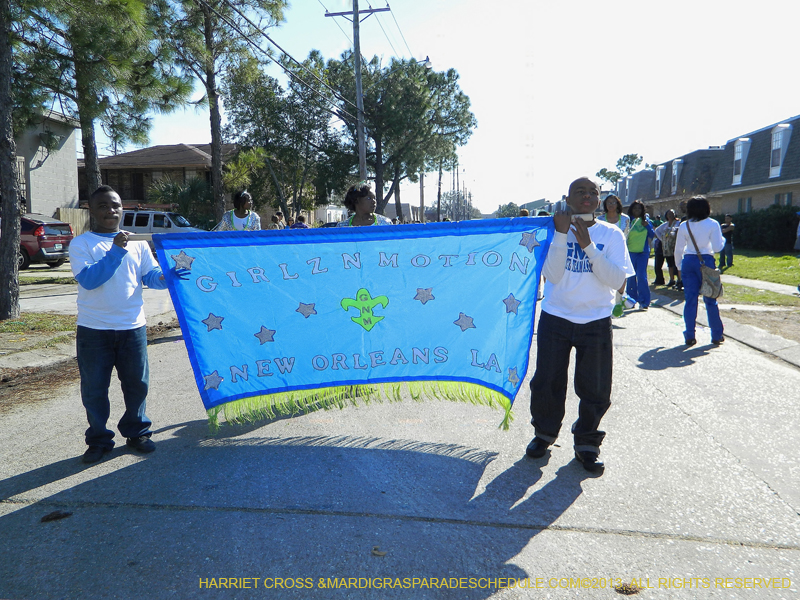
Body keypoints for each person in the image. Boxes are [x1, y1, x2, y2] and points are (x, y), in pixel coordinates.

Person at [526, 177, 634, 473]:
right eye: (580, 192)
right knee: (547, 382)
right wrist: (562, 235)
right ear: (568, 198)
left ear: (600, 200)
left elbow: (618, 281)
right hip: (556, 317)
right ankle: (544, 435)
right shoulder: (552, 230)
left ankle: (587, 443)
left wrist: (588, 245)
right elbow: (553, 276)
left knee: (595, 387)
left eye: (593, 192)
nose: (587, 196)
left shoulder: (611, 235)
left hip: (595, 321)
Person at [70, 186, 184, 464]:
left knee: (137, 385)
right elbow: (90, 280)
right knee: (95, 389)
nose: (111, 211)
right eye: (103, 206)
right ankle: (98, 440)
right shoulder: (82, 244)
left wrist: (168, 277)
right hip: (94, 330)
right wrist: (116, 250)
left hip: (132, 328)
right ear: (92, 210)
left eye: (116, 205)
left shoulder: (138, 244)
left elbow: (149, 276)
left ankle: (137, 432)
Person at [674, 196, 726, 346]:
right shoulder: (713, 224)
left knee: (690, 300)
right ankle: (716, 334)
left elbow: (678, 248)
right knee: (710, 298)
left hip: (689, 260)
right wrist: (724, 240)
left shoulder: (685, 225)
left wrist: (679, 266)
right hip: (706, 260)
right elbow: (717, 247)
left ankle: (690, 335)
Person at [625, 200, 655, 310]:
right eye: (635, 208)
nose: (637, 211)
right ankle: (631, 300)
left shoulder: (646, 221)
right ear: (631, 210)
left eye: (639, 209)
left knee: (641, 276)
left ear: (642, 210)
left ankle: (644, 301)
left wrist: (647, 226)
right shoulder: (629, 221)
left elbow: (652, 234)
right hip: (631, 252)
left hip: (643, 253)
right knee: (631, 277)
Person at [655, 209, 680, 286]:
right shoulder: (665, 225)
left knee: (677, 264)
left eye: (672, 214)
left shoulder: (678, 223)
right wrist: (662, 239)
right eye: (668, 214)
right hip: (668, 247)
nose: (670, 215)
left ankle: (679, 280)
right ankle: (672, 280)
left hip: (676, 246)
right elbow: (656, 231)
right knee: (670, 264)